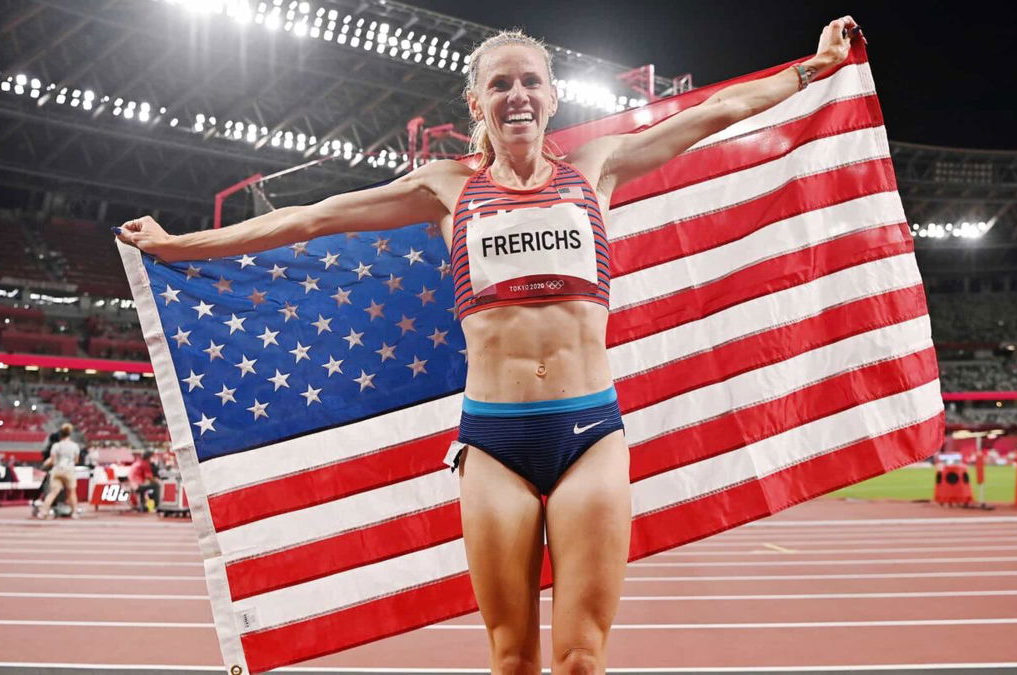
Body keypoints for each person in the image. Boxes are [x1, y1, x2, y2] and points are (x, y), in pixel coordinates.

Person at [116, 17, 857, 673]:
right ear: (478, 103)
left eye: (531, 81)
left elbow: (718, 112)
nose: (518, 96)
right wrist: (180, 244)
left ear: (553, 95)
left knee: (578, 658)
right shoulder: (446, 188)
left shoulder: (598, 168)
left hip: (590, 432)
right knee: (511, 658)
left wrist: (814, 67)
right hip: (494, 441)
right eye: (500, 84)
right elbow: (310, 219)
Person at [37, 423, 79, 519]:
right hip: (69, 470)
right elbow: (76, 460)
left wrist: (46, 464)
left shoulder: (56, 446)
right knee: (71, 492)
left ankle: (43, 512)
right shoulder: (74, 446)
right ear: (70, 434)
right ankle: (75, 512)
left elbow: (53, 460)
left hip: (57, 470)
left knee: (53, 492)